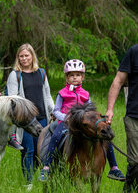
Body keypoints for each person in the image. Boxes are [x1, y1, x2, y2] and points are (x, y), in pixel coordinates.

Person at [40, 59, 125, 182]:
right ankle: (46, 167)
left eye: (78, 75)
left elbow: (90, 110)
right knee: (56, 137)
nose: (75, 78)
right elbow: (56, 110)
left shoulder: (85, 93)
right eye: (72, 75)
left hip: (84, 125)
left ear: (82, 77)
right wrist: (66, 117)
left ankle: (114, 168)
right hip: (66, 123)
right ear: (67, 77)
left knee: (105, 138)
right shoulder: (62, 93)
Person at [7, 43, 54, 183]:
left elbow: (47, 95)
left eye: (26, 55)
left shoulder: (41, 73)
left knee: (42, 151)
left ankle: (41, 178)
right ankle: (28, 182)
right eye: (21, 56)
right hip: (25, 121)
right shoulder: (15, 75)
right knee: (28, 150)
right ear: (18, 58)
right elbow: (12, 100)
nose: (24, 59)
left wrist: (53, 111)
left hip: (42, 118)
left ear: (32, 56)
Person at [106, 44, 138, 192]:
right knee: (135, 161)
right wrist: (110, 109)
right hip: (134, 116)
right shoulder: (134, 51)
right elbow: (118, 81)